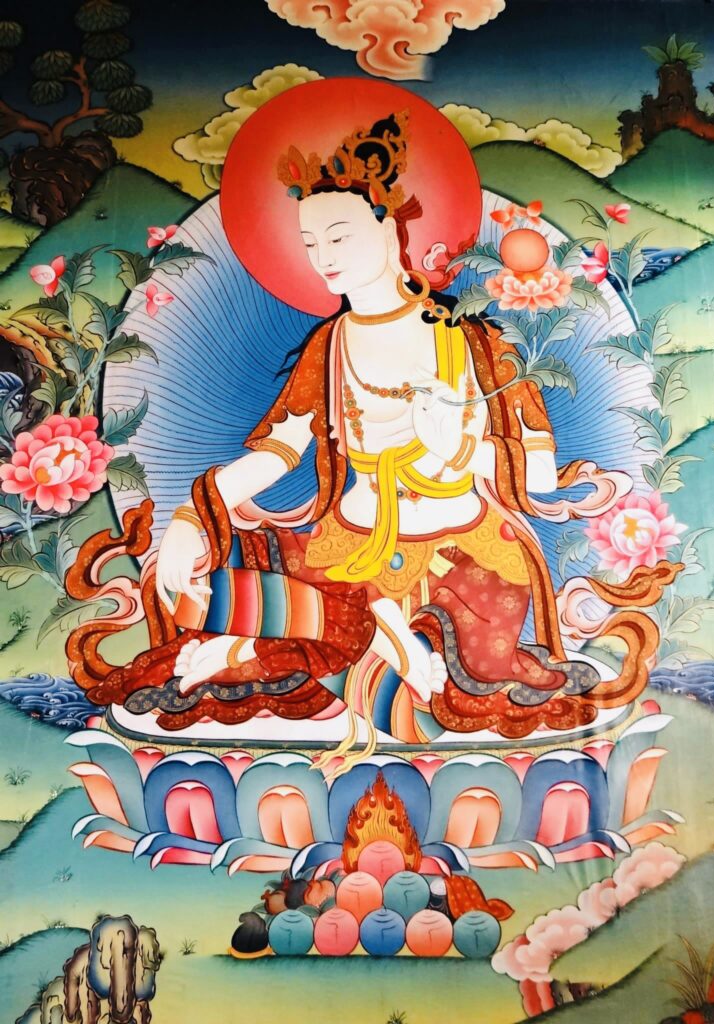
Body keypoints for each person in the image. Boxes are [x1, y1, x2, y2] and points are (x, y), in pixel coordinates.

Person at [68, 107, 677, 742]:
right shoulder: (329, 346)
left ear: (388, 231)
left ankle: (297, 641)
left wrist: (463, 452)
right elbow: (278, 453)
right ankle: (362, 637)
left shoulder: (472, 341)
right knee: (187, 589)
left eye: (339, 237)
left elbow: (542, 473)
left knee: (428, 711)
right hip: (347, 552)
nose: (323, 258)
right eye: (310, 244)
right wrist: (194, 518)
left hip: (464, 564)